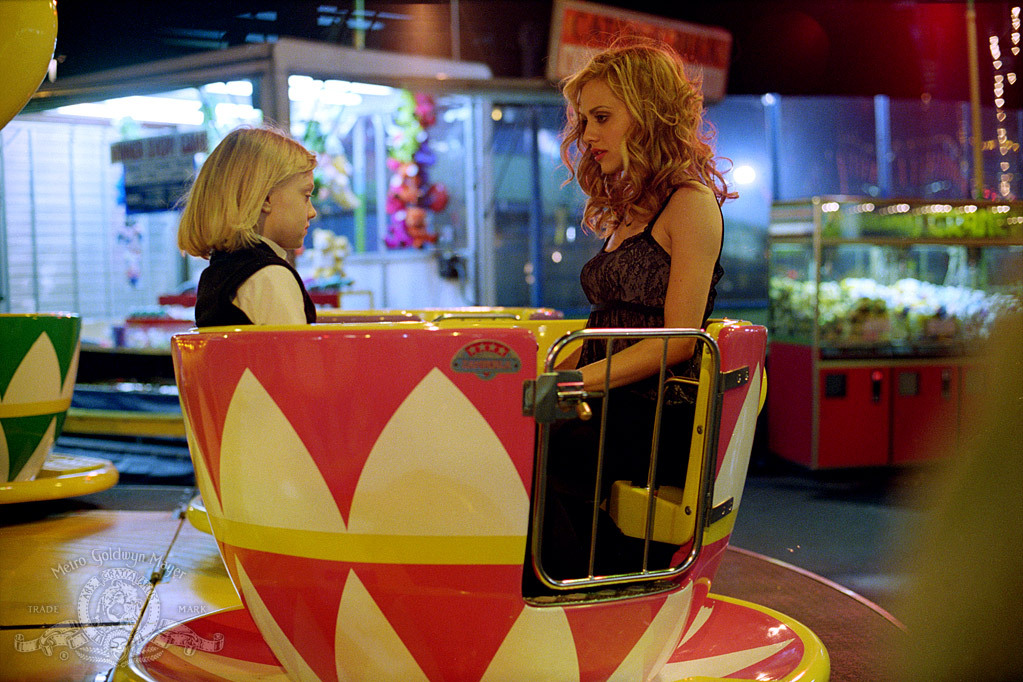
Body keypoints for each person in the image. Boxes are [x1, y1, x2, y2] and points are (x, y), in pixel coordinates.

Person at [537, 38, 735, 583]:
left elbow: (677, 341)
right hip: (609, 401)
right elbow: (607, 319)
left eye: (601, 117)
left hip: (650, 412)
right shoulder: (630, 203)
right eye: (584, 121)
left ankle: (568, 597)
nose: (588, 136)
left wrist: (577, 379)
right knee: (512, 431)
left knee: (529, 454)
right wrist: (560, 369)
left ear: (647, 115)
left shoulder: (690, 203)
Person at [177, 126, 319, 327]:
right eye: (306, 196)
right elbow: (294, 356)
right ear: (266, 198)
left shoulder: (219, 272)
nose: (312, 211)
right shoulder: (270, 276)